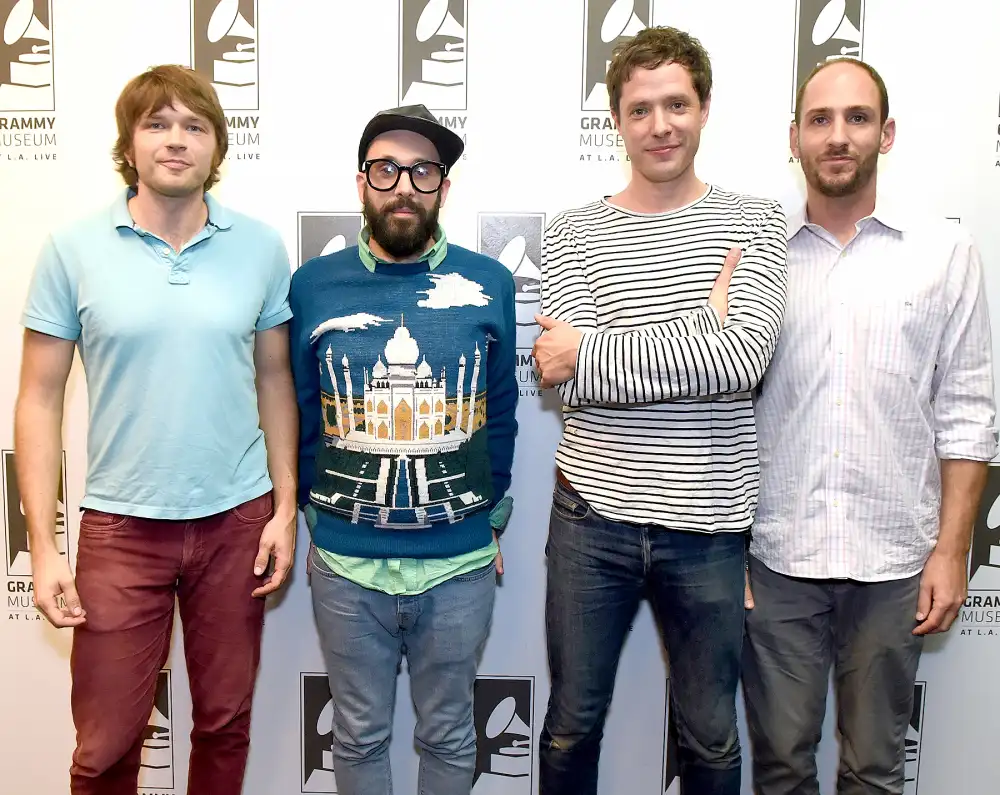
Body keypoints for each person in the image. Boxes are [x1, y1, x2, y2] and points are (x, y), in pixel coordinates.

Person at [14, 65, 298, 795]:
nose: (176, 140)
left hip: (237, 520)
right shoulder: (72, 249)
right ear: (129, 143)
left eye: (194, 125)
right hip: (120, 525)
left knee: (225, 724)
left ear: (217, 146)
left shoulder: (260, 248)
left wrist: (285, 508)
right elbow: (39, 398)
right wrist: (43, 546)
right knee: (104, 746)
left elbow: (274, 381)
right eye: (157, 123)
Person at [532, 26, 787, 795]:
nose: (661, 125)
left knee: (710, 734)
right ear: (617, 120)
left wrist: (601, 349)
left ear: (704, 108)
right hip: (591, 518)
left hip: (709, 526)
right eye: (641, 109)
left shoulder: (756, 219)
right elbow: (562, 373)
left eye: (676, 104)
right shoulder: (572, 229)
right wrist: (699, 330)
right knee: (571, 723)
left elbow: (744, 358)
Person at [742, 58, 997, 795]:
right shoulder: (759, 260)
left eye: (856, 118)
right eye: (820, 120)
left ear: (886, 134)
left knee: (875, 769)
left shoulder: (944, 253)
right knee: (783, 765)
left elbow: (969, 413)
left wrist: (953, 552)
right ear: (793, 138)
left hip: (894, 561)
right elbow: (721, 406)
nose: (838, 136)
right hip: (778, 557)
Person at [289, 104, 518, 795]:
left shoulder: (488, 282)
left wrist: (491, 514)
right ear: (362, 182)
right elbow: (302, 415)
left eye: (423, 170)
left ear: (444, 186)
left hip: (459, 565)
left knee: (448, 731)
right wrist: (315, 516)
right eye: (386, 169)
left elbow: (501, 412)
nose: (404, 186)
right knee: (358, 732)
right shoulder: (312, 286)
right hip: (346, 566)